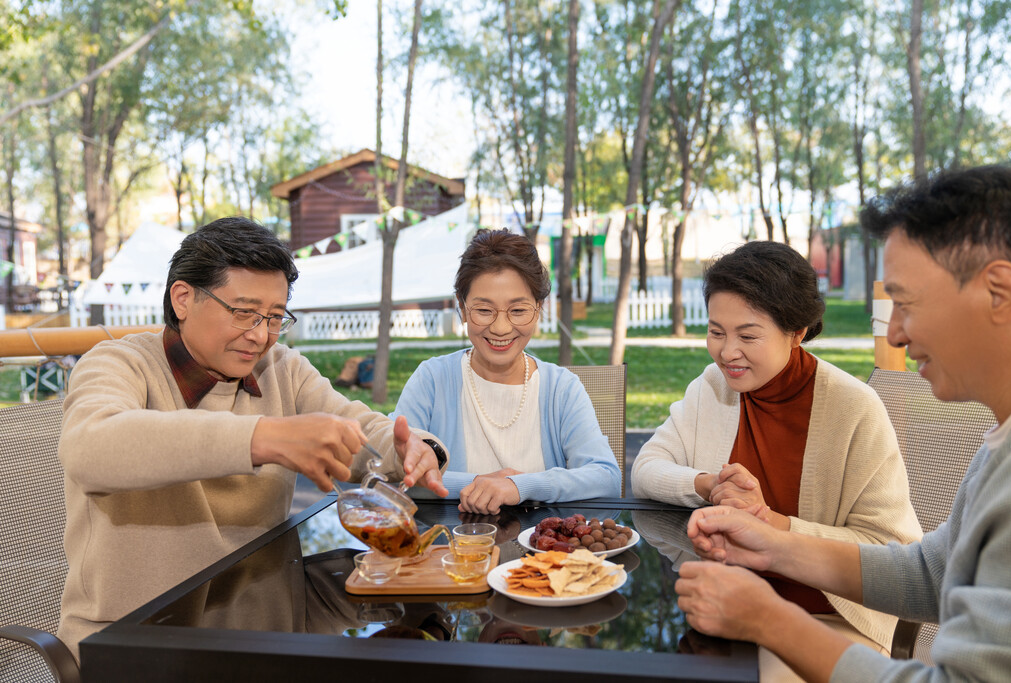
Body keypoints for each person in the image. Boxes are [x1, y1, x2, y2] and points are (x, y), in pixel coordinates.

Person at [675, 165, 1011, 682]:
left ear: (999, 292)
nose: (898, 334)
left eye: (904, 303)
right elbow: (931, 571)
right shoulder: (1005, 445)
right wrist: (773, 542)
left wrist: (771, 620)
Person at [57, 217, 449, 659]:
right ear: (183, 298)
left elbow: (360, 428)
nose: (260, 335)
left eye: (275, 317)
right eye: (243, 312)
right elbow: (91, 447)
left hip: (268, 626)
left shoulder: (282, 369)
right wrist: (263, 437)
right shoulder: (118, 364)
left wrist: (414, 447)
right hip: (139, 643)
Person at [631, 240, 921, 678]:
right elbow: (647, 468)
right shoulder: (714, 386)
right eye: (716, 332)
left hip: (826, 621)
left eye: (748, 336)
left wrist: (768, 522)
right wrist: (711, 485)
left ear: (797, 331)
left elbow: (892, 551)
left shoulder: (853, 408)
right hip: (725, 604)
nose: (728, 352)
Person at [391, 228, 621, 514]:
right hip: (453, 552)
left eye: (518, 311)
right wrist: (481, 483)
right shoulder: (432, 380)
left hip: (542, 555)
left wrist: (519, 486)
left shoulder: (562, 387)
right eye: (484, 311)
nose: (501, 328)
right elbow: (398, 471)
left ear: (539, 308)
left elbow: (606, 477)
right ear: (462, 309)